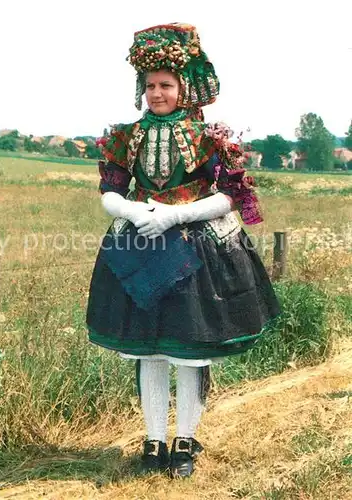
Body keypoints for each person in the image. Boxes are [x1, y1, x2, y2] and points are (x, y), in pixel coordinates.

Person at [86, 22, 281, 479]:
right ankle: (154, 441)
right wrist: (134, 212)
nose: (156, 94)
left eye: (165, 85)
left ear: (184, 87)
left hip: (197, 252)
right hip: (139, 244)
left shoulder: (208, 136)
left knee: (189, 350)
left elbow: (229, 193)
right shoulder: (123, 136)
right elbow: (109, 190)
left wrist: (174, 215)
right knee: (149, 352)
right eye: (150, 86)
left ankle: (185, 441)